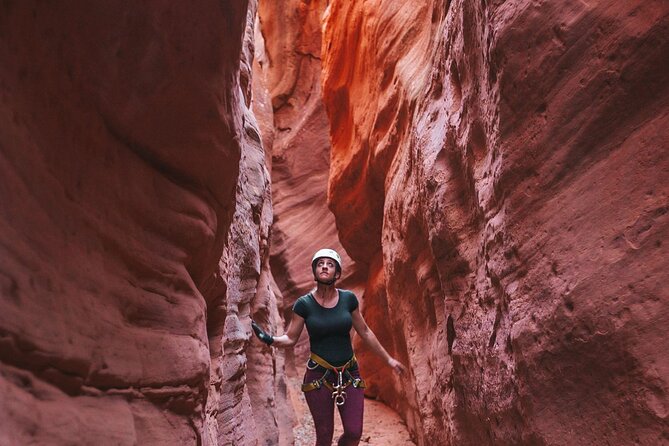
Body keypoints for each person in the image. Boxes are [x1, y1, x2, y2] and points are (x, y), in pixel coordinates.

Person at [251, 248, 406, 446]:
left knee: (353, 432)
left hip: (349, 374)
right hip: (319, 376)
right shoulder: (303, 305)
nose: (324, 266)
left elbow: (365, 331)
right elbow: (290, 339)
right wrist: (268, 338)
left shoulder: (348, 300)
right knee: (324, 436)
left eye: (330, 264)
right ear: (315, 270)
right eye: (320, 263)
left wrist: (389, 360)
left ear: (338, 273)